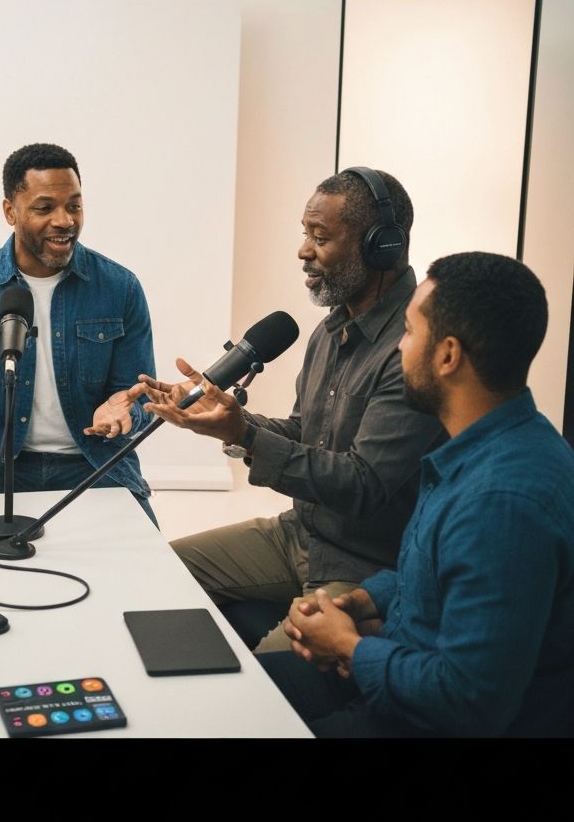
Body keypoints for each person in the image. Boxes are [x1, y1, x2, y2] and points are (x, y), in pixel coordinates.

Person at [263, 252, 574, 737]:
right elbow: (434, 575)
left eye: (408, 332)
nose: (398, 347)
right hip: (398, 672)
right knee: (234, 688)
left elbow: (468, 701)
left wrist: (349, 647)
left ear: (447, 356)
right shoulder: (484, 446)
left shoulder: (503, 502)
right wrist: (363, 601)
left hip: (422, 716)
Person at [134, 168, 446, 650]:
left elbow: (363, 484)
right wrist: (227, 422)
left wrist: (246, 436)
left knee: (267, 672)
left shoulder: (412, 347)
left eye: (320, 237)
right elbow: (305, 432)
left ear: (379, 246)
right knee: (151, 574)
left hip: (365, 565)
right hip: (299, 534)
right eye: (305, 234)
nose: (303, 251)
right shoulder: (330, 331)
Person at [0, 143, 158, 522]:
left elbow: (141, 400)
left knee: (140, 556)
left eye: (74, 206)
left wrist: (125, 414)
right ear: (10, 211)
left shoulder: (120, 288)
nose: (64, 220)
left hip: (95, 464)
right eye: (45, 208)